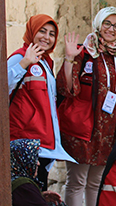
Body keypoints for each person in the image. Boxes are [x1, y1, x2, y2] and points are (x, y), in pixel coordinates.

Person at [57, 7, 116, 206]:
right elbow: (68, 90)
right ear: (98, 24)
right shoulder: (84, 52)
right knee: (77, 181)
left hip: (107, 131)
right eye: (107, 23)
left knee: (96, 182)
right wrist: (69, 59)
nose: (111, 29)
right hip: (82, 128)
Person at [8, 14, 76, 190]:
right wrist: (24, 63)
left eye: (52, 34)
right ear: (32, 31)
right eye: (42, 31)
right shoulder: (19, 57)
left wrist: (69, 58)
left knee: (39, 193)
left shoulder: (45, 62)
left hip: (43, 143)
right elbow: (0, 86)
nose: (47, 37)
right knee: (27, 196)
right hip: (26, 143)